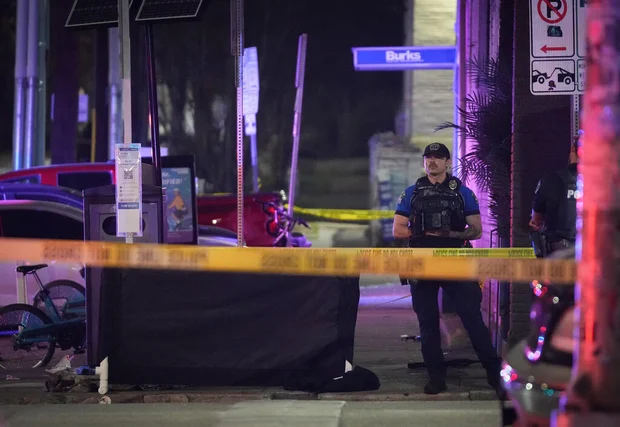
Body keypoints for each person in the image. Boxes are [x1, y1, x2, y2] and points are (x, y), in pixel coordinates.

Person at [392, 142, 500, 395]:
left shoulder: (463, 193)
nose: (432, 161)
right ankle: (436, 378)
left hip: (456, 261)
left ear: (447, 162)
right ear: (424, 162)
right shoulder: (411, 193)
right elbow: (398, 229)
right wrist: (422, 232)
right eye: (428, 157)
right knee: (427, 323)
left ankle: (495, 376)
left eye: (438, 157)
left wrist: (446, 233)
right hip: (422, 262)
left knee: (472, 319)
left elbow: (476, 230)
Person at [529, 132, 581, 254]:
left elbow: (536, 222)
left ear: (573, 149)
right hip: (597, 261)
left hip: (559, 261)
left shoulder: (550, 181)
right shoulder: (607, 185)